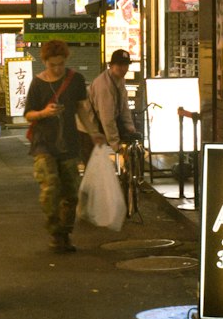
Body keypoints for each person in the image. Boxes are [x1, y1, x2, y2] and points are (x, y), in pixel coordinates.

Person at [23, 39, 106, 252]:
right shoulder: (37, 83)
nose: (57, 68)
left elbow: (81, 109)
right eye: (52, 64)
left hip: (69, 142)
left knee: (71, 192)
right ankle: (54, 232)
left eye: (60, 63)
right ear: (45, 62)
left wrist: (93, 132)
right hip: (43, 144)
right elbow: (28, 115)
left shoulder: (75, 80)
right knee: (50, 188)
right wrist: (43, 113)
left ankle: (65, 233)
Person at [87, 50, 139, 152]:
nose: (123, 68)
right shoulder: (104, 85)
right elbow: (107, 117)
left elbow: (124, 107)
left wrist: (130, 128)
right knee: (96, 164)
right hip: (89, 128)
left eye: (126, 65)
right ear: (111, 66)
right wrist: (115, 144)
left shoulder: (119, 79)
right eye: (119, 65)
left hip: (100, 125)